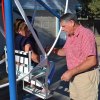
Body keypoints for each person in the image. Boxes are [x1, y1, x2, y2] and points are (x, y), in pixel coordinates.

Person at [52, 13, 99, 100]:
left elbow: (92, 61)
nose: (62, 29)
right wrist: (53, 50)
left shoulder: (86, 34)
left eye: (63, 26)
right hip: (75, 76)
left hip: (86, 76)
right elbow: (65, 51)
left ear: (71, 22)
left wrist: (70, 72)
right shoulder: (70, 35)